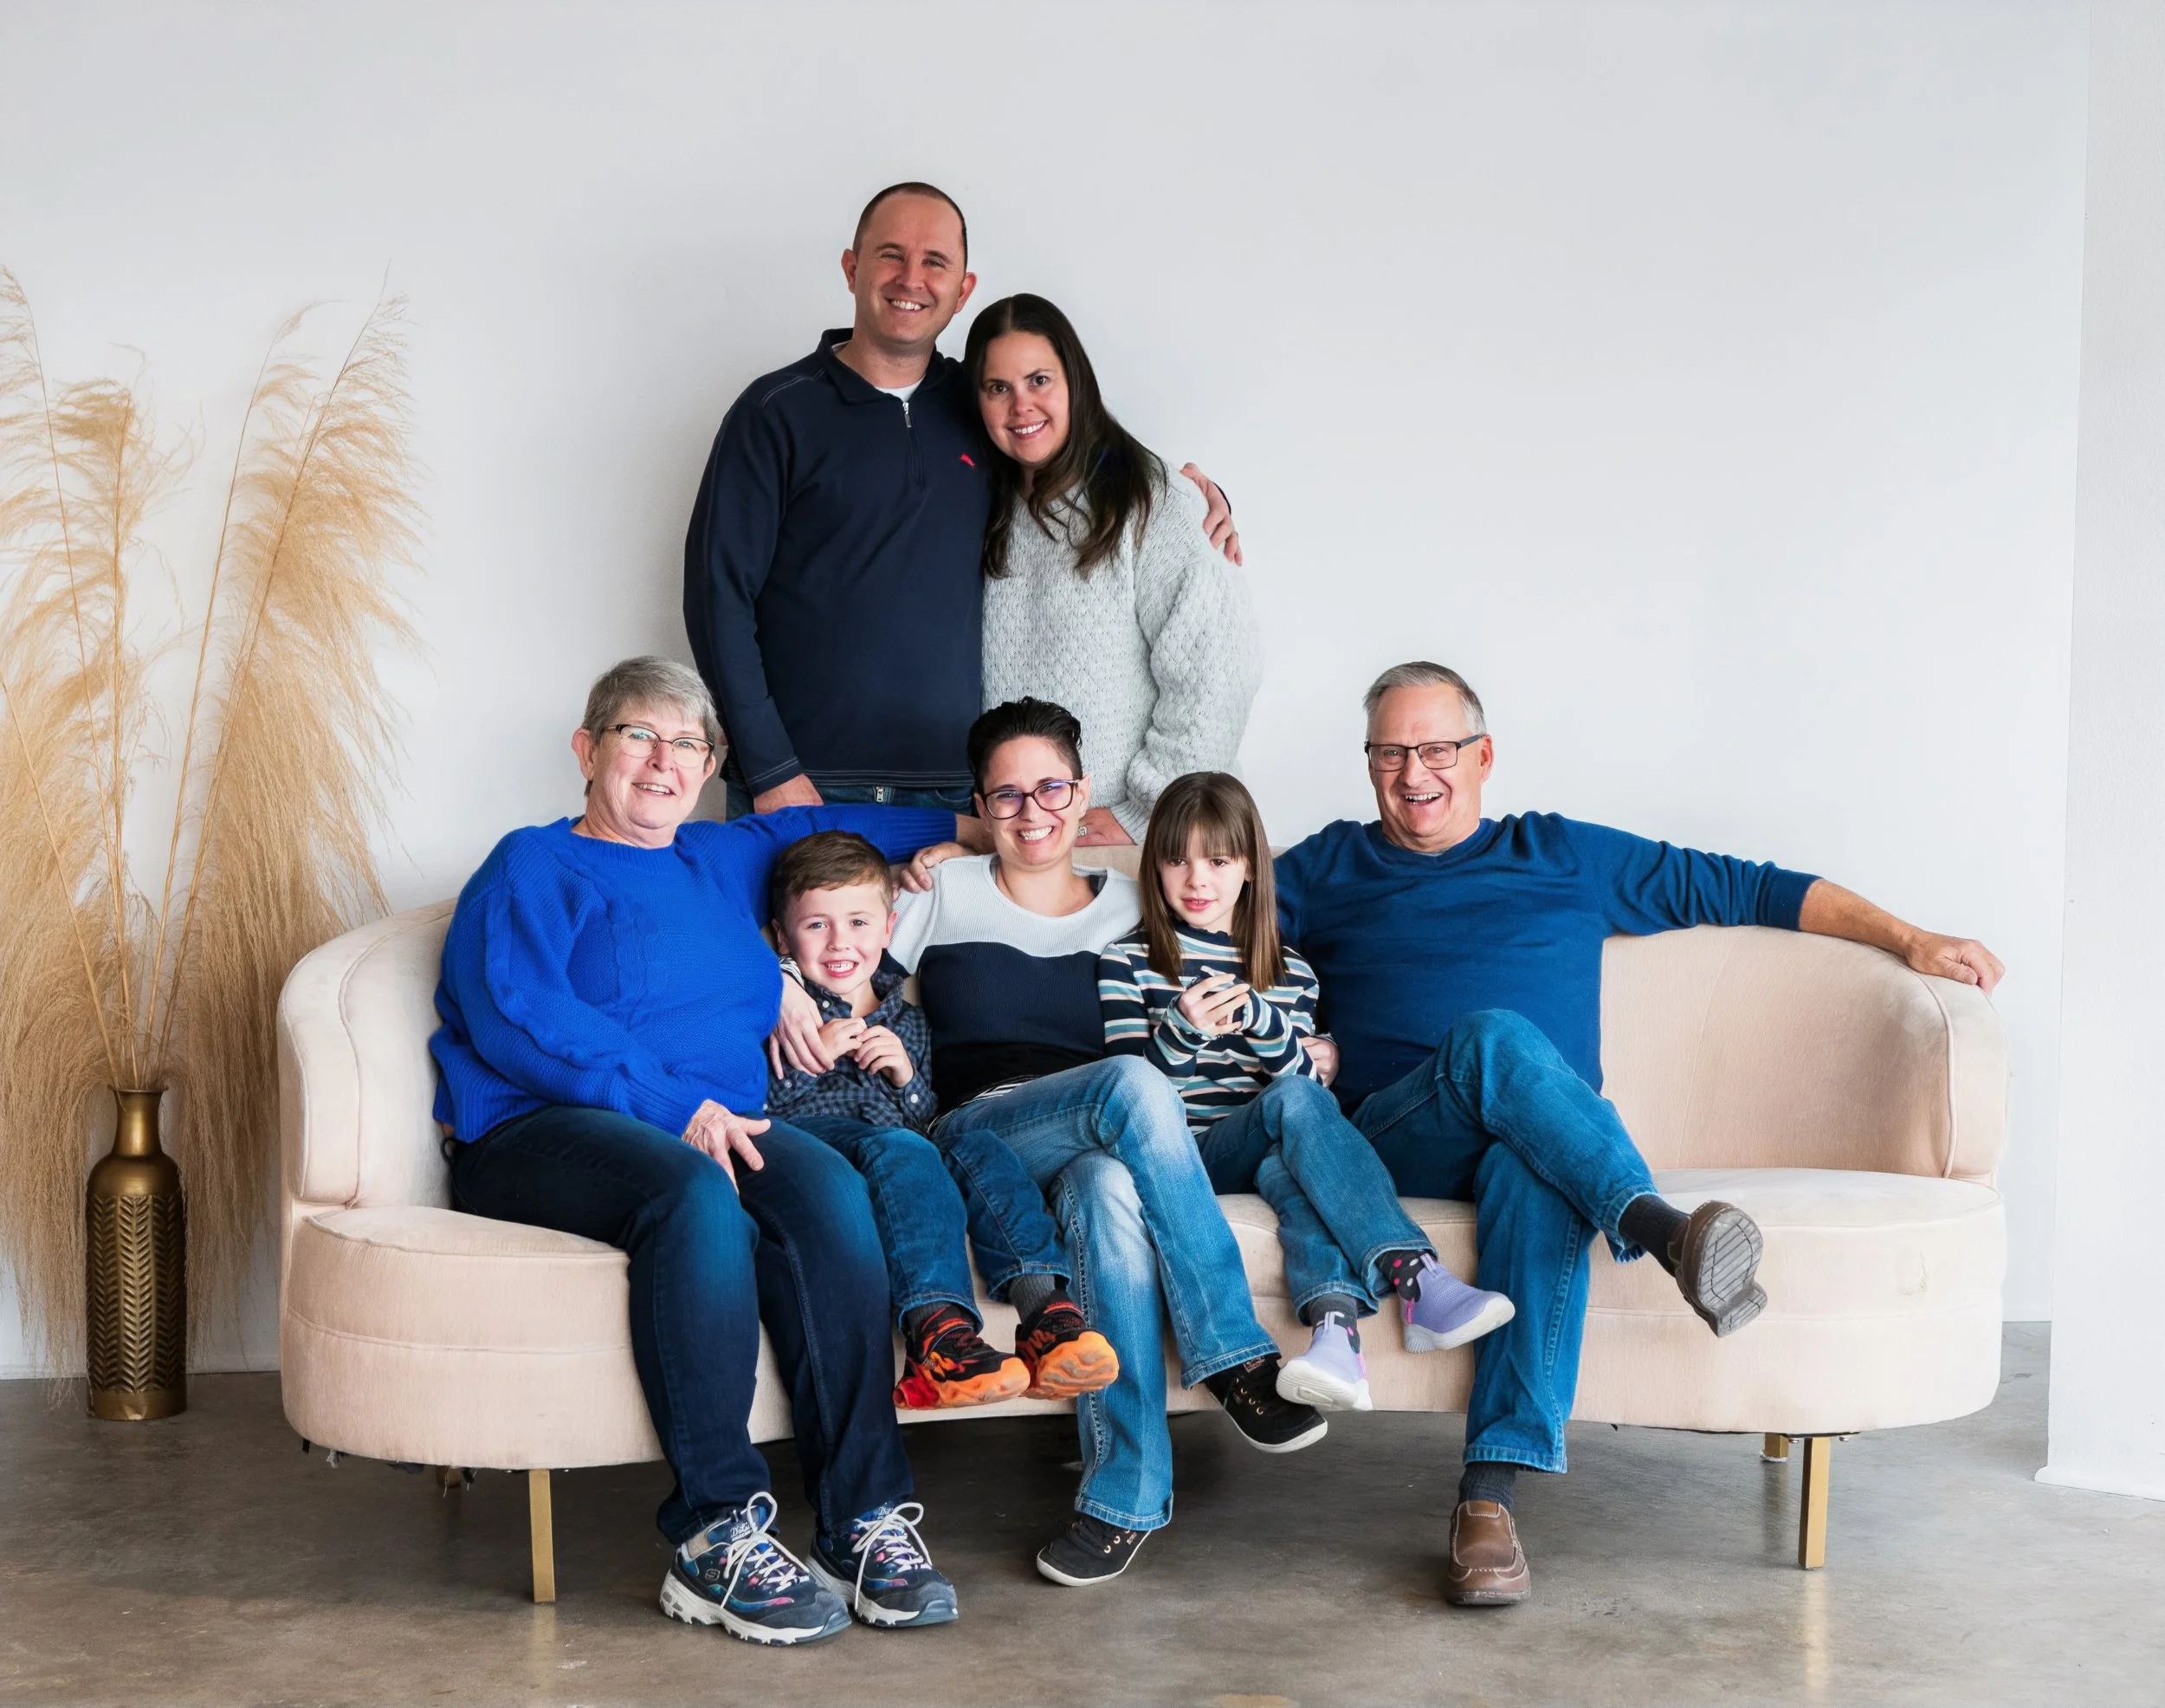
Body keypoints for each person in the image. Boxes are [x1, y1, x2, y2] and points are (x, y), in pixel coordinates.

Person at [1275, 660, 2006, 1609]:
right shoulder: (1326, 868)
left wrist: (1908, 940)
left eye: (1437, 748)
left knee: (1532, 1171)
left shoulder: (1564, 855)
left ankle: (1487, 1502)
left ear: (1484, 755)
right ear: (1368, 760)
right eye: (1390, 751)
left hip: (1535, 1144)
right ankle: (1662, 1228)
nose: (1415, 772)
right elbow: (1193, 901)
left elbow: (1748, 887)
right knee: (1493, 1037)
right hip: (1396, 1137)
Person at [429, 657, 986, 1645]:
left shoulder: (717, 858)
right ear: (587, 748)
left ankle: (860, 1519)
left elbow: (828, 829)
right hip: (539, 1129)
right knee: (694, 1195)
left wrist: (975, 830)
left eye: (688, 743)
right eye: (639, 734)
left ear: (708, 764)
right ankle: (714, 1533)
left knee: (827, 1191)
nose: (663, 760)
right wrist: (670, 1102)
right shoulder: (530, 863)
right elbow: (519, 1016)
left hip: (721, 1123)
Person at [890, 699, 1324, 1588]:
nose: (1031, 812)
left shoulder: (1136, 902)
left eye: (1050, 787)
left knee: (1102, 1188)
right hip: (980, 1132)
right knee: (1133, 1081)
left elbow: (1254, 928)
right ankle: (1235, 1355)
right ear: (979, 805)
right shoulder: (938, 890)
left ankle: (1119, 1495)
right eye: (1005, 796)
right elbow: (846, 971)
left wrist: (1321, 1043)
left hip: (1096, 1141)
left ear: (1082, 792)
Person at [685, 184, 1237, 818]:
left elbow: (1081, 460)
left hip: (957, 796)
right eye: (890, 255)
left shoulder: (983, 407)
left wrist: (1197, 500)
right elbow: (717, 598)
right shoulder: (774, 412)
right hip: (804, 786)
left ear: (963, 290)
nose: (911, 279)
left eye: (935, 262)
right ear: (851, 267)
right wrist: (771, 770)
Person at [1097, 771, 1513, 1415]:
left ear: (1251, 870)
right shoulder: (1127, 962)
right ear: (1154, 870)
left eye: (1217, 861)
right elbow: (1126, 1094)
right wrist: (1182, 1028)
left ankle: (1335, 1337)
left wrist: (1264, 1021)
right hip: (1186, 1157)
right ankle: (1416, 1276)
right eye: (1176, 861)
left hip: (1264, 1150)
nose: (1196, 881)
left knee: (1286, 1160)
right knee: (1292, 1104)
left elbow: (1310, 1084)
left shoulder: (1292, 973)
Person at [762, 830, 1119, 1408]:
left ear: (887, 927)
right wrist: (812, 1057)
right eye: (815, 925)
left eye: (857, 923)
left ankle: (1047, 1316)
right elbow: (756, 1108)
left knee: (973, 1141)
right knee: (904, 1151)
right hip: (815, 1151)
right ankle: (939, 1340)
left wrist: (906, 1078)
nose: (839, 943)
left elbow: (927, 1120)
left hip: (903, 1159)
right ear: (783, 936)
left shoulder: (910, 1021)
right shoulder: (778, 1012)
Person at [967, 294, 1262, 849]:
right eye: (998, 388)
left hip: (1147, 846)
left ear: (1075, 381)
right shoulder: (978, 505)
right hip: (1021, 837)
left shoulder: (1154, 500)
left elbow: (1219, 673)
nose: (1021, 406)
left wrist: (1143, 811)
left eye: (1039, 380)